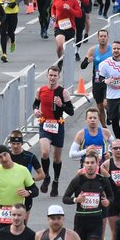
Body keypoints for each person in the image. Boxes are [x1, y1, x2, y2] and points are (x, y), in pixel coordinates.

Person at [62, 152, 115, 240]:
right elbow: (65, 198)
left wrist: (107, 202)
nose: (90, 166)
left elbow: (111, 196)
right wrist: (76, 200)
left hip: (96, 221)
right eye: (87, 163)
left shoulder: (103, 181)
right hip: (81, 221)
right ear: (83, 165)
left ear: (97, 165)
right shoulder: (78, 180)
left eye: (93, 163)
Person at [35, 66, 75, 196]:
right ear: (47, 76)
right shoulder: (40, 90)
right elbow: (35, 104)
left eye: (55, 75)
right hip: (44, 124)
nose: (52, 78)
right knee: (45, 152)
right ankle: (46, 176)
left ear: (58, 77)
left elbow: (71, 111)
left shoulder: (63, 92)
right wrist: (35, 110)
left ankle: (56, 181)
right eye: (50, 75)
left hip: (58, 126)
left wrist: (61, 105)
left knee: (56, 157)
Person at [0, 146, 39, 229]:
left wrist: (28, 193)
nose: (4, 159)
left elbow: (35, 190)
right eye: (0, 157)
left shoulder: (22, 170)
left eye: (5, 154)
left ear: (10, 154)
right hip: (1, 214)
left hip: (17, 215)